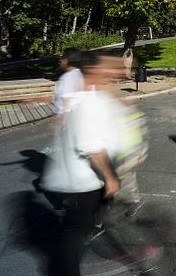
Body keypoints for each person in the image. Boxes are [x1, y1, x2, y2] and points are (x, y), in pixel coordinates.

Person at [41, 53, 122, 276]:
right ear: (93, 71)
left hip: (89, 180)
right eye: (109, 68)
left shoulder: (92, 98)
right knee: (74, 234)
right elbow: (91, 147)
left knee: (77, 231)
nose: (115, 73)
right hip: (83, 182)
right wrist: (110, 177)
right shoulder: (86, 102)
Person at [53, 48, 84, 116]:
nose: (60, 60)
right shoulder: (78, 73)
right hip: (72, 116)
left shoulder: (69, 77)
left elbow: (66, 102)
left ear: (66, 61)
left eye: (62, 58)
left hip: (66, 118)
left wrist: (57, 122)